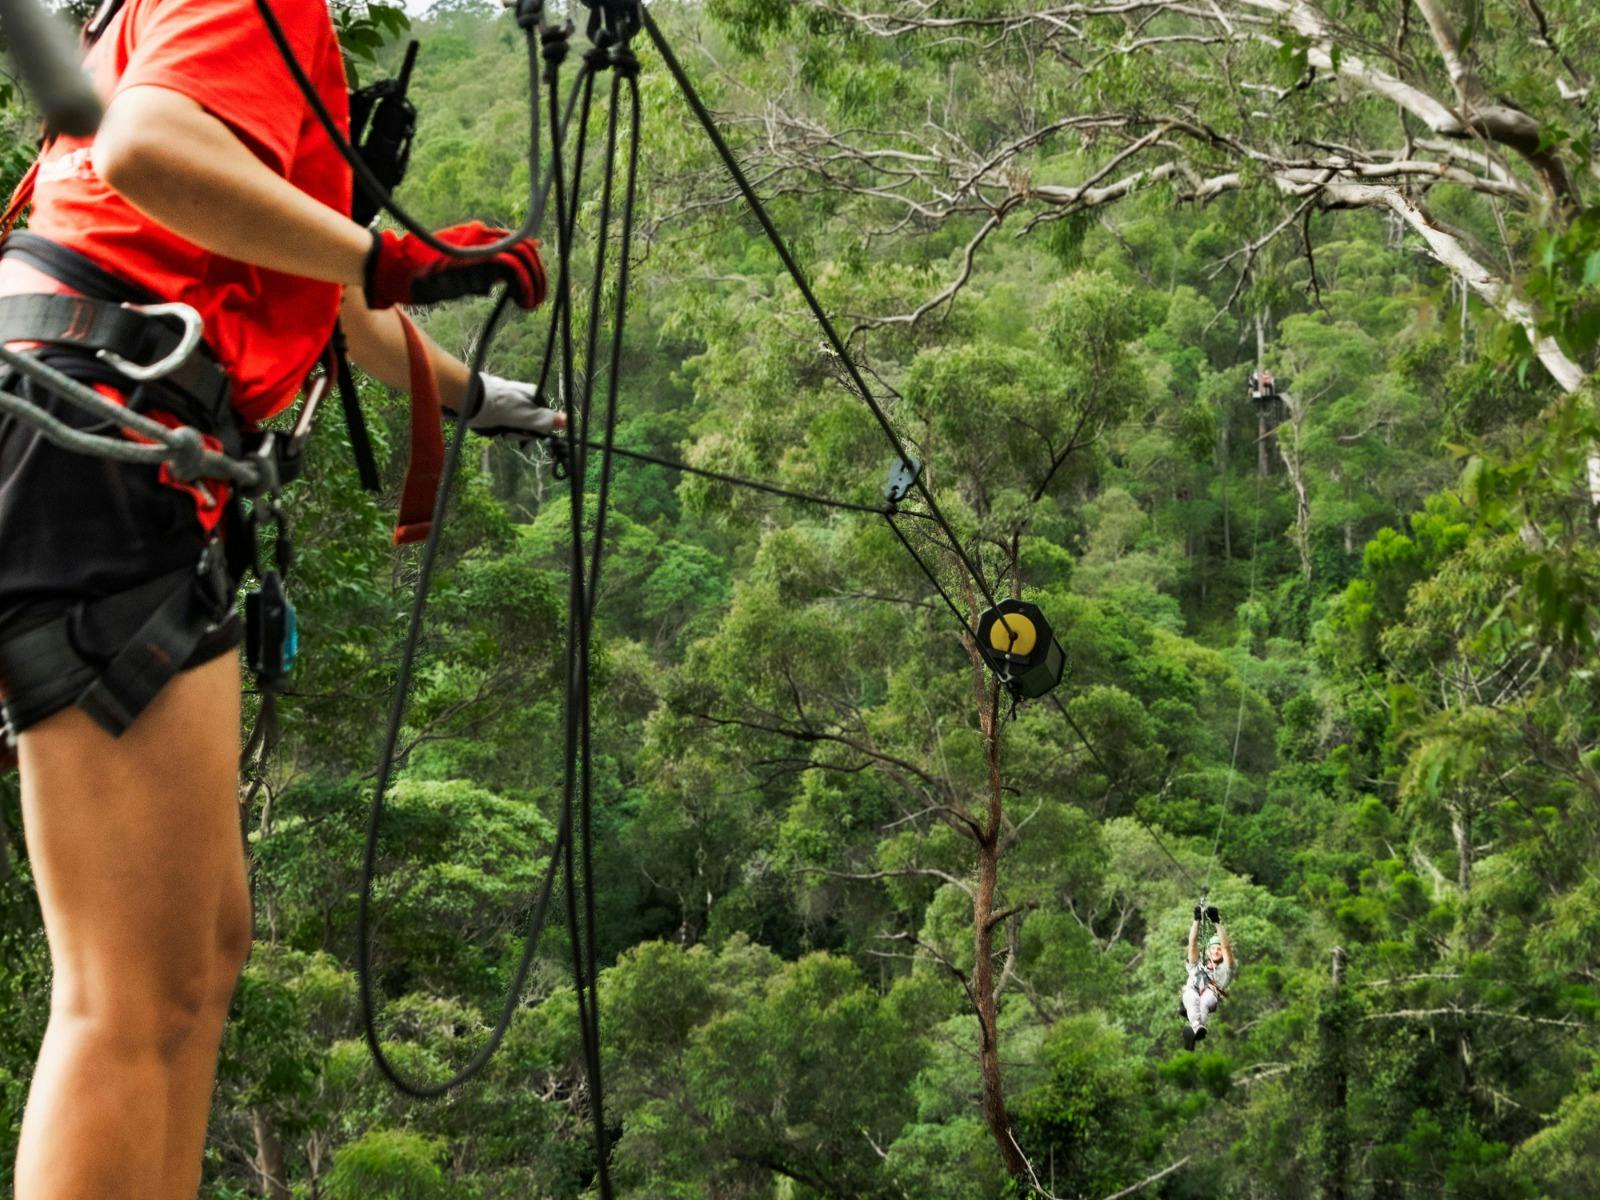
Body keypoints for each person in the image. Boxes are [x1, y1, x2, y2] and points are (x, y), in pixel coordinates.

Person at [0, 0, 559, 1194]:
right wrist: (386, 250)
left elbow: (340, 304)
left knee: (199, 957)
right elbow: (148, 153)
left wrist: (485, 399)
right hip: (107, 432)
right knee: (125, 992)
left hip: (116, 433)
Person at [1179, 904, 1234, 1051]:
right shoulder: (1197, 965)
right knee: (1192, 996)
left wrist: (1217, 922)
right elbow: (1192, 944)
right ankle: (1195, 1030)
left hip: (1211, 994)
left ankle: (1193, 1030)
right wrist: (1196, 921)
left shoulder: (1225, 970)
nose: (1216, 951)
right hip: (1192, 992)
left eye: (1218, 949)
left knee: (1203, 1001)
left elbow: (1227, 948)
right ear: (1208, 951)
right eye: (1213, 949)